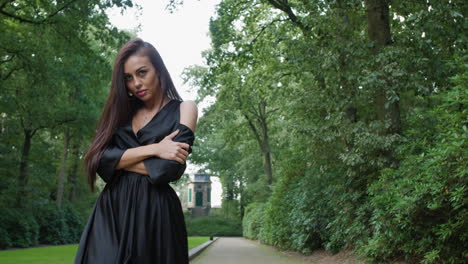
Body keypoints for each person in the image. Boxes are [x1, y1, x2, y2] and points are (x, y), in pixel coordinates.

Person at [74, 38, 198, 264]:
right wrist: (156, 148)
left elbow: (167, 169)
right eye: (128, 78)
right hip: (112, 211)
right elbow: (96, 159)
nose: (136, 84)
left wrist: (117, 161)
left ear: (158, 70)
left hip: (155, 213)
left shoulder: (185, 109)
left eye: (142, 73)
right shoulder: (120, 113)